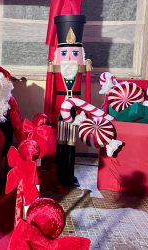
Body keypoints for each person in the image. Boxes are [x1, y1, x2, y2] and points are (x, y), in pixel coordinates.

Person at [44, 15, 92, 187]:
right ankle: (57, 173)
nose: (70, 58)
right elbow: (50, 89)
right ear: (58, 54)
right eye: (64, 53)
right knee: (58, 142)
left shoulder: (82, 66)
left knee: (71, 142)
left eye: (74, 53)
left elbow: (86, 89)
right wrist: (48, 113)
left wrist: (86, 111)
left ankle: (68, 175)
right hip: (58, 110)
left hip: (75, 111)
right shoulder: (55, 67)